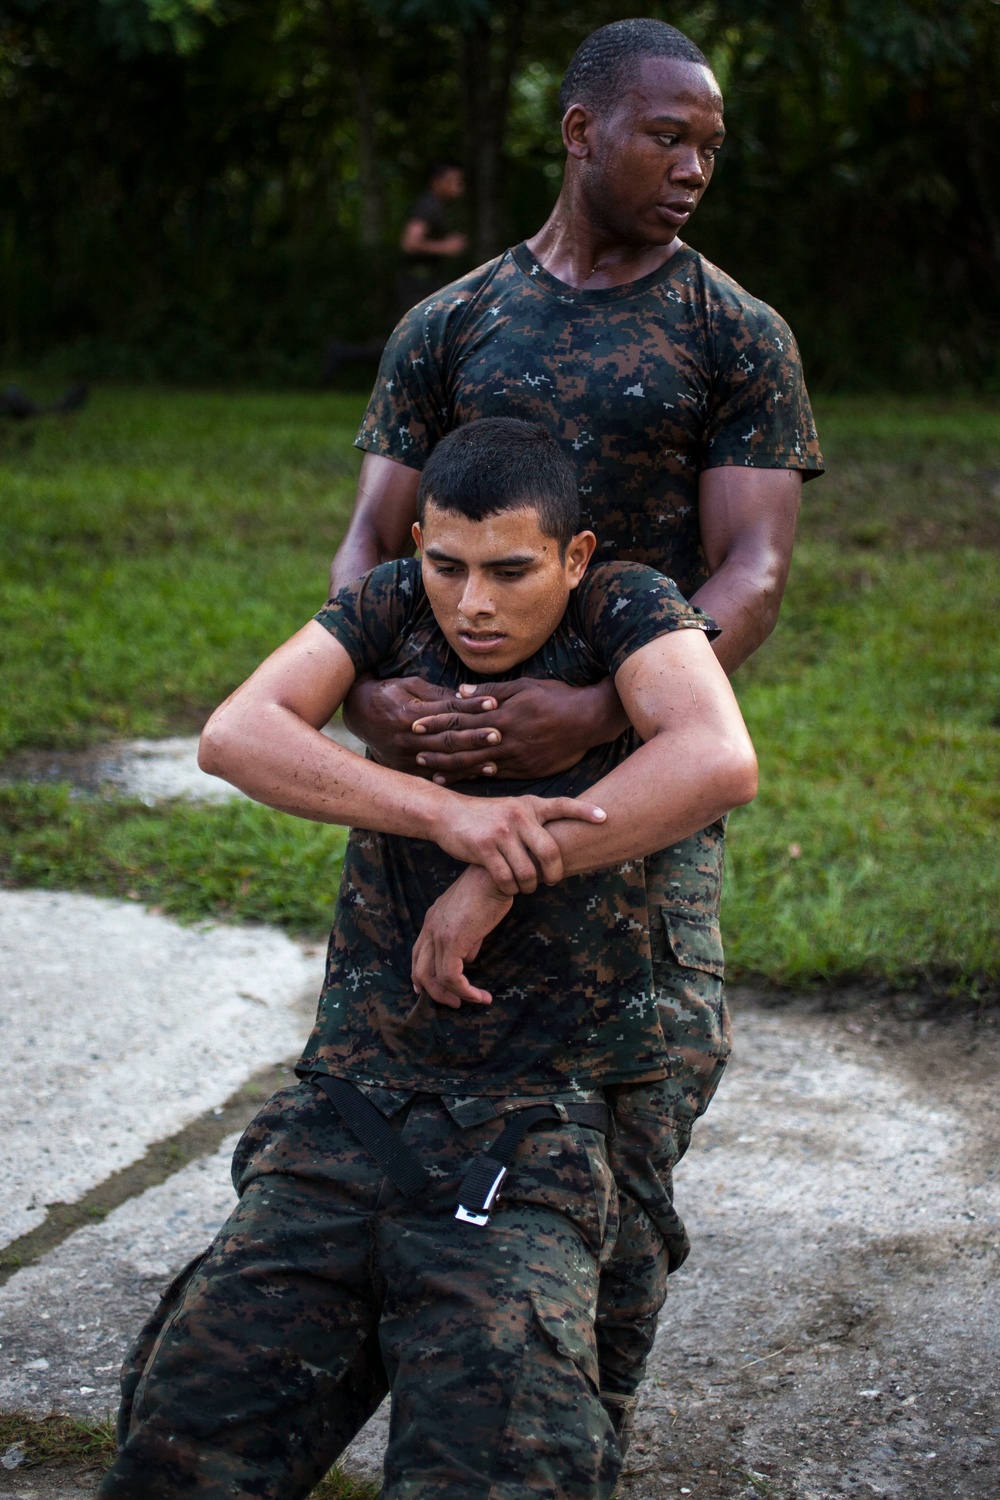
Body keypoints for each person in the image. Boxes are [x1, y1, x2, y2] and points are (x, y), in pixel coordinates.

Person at [98, 418, 757, 1500]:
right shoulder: (390, 600)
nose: (474, 604)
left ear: (574, 555)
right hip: (362, 1094)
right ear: (417, 544)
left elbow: (716, 756)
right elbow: (237, 733)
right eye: (448, 566)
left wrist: (497, 872)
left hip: (548, 1106)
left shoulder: (623, 602)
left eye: (510, 571)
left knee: (500, 1451)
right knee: (187, 1432)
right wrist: (448, 818)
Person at [328, 15, 825, 1433]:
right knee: (382, 1110)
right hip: (440, 800)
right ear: (580, 131)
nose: (692, 169)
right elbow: (367, 539)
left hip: (639, 810)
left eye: (710, 148)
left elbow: (756, 572)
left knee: (636, 1135)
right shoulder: (453, 322)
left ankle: (574, 1430)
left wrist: (597, 703)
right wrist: (375, 698)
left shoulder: (737, 336)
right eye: (669, 136)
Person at [397, 162, 468, 315]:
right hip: (418, 286)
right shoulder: (427, 206)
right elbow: (409, 243)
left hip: (428, 282)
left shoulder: (439, 207)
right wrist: (446, 247)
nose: (459, 186)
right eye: (453, 181)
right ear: (437, 182)